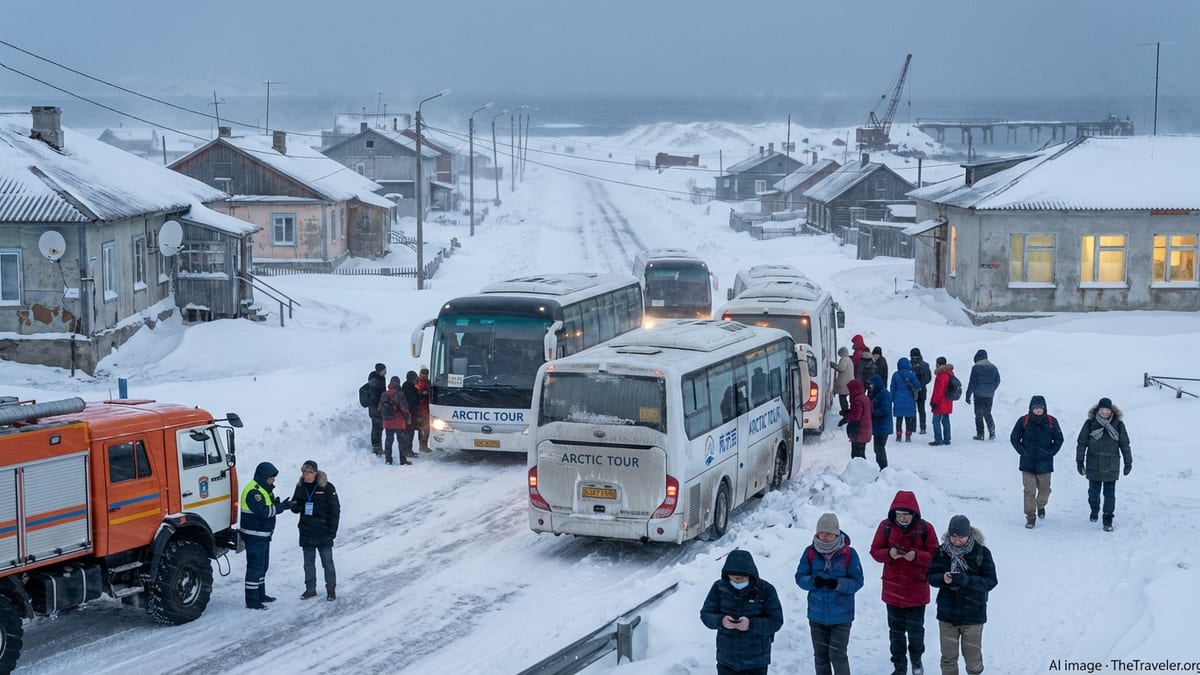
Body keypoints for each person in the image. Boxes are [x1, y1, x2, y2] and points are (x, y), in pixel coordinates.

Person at [870, 491, 940, 675]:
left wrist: (917, 556)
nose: (902, 518)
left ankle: (916, 662)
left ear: (914, 514)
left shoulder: (926, 529)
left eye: (906, 515)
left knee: (916, 632)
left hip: (917, 591)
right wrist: (889, 554)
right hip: (893, 591)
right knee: (896, 633)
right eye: (899, 514)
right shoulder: (885, 527)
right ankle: (899, 667)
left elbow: (936, 557)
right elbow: (875, 551)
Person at [795, 513, 864, 675]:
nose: (825, 536)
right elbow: (799, 577)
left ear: (836, 534)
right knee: (820, 657)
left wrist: (839, 584)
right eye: (822, 533)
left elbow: (858, 581)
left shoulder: (849, 554)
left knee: (837, 655)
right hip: (816, 615)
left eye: (829, 533)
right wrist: (813, 581)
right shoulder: (810, 552)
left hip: (841, 616)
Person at [927, 515, 997, 675]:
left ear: (969, 535)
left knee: (973, 659)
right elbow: (931, 576)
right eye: (953, 536)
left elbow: (991, 581)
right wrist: (942, 578)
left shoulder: (981, 553)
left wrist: (968, 581)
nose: (957, 540)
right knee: (948, 658)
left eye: (961, 537)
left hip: (973, 614)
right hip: (947, 614)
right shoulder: (941, 552)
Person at [700, 549, 784, 675]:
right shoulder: (719, 588)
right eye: (734, 578)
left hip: (756, 661)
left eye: (742, 578)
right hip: (726, 659)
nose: (738, 581)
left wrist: (751, 624)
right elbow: (706, 614)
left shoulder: (765, 590)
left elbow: (776, 621)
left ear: (751, 575)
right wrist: (721, 621)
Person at [1075, 397, 1132, 532]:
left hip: (1111, 464)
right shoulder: (1090, 423)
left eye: (1107, 410)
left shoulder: (1118, 424)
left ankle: (1108, 518)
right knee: (1093, 494)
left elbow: (1125, 444)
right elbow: (1082, 443)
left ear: (1111, 410)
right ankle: (1094, 509)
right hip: (1093, 463)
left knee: (1109, 495)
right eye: (1102, 410)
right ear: (1098, 410)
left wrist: (1128, 462)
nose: (1105, 412)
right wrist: (1079, 461)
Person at [289, 460, 341, 601]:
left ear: (315, 473)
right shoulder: (300, 487)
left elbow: (335, 510)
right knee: (308, 563)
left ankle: (331, 589)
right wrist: (294, 506)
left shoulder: (327, 487)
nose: (306, 475)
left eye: (309, 472)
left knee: (327, 562)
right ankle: (310, 589)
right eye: (304, 472)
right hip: (307, 531)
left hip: (323, 531)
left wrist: (332, 531)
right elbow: (296, 505)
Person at [1009, 395, 1064, 528]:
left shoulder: (1051, 421)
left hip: (1045, 464)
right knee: (1029, 491)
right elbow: (1014, 438)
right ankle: (1030, 516)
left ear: (1044, 408)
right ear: (1031, 408)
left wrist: (1050, 452)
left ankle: (1041, 505)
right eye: (1035, 408)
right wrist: (1023, 452)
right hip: (1027, 464)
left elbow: (1059, 439)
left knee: (1045, 491)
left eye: (1040, 408)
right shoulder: (1024, 421)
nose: (1038, 410)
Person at [240, 461, 289, 610]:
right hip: (254, 535)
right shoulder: (254, 492)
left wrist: (277, 503)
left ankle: (261, 594)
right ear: (263, 477)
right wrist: (282, 507)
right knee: (255, 567)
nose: (273, 480)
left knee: (262, 566)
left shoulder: (264, 489)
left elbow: (268, 506)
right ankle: (252, 600)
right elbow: (264, 512)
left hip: (262, 535)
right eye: (271, 478)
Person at [965, 350, 1000, 441]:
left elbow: (972, 383)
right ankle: (992, 432)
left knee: (978, 414)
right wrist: (992, 389)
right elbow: (998, 380)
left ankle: (980, 434)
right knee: (987, 413)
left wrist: (968, 395)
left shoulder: (976, 368)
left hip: (979, 395)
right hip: (989, 395)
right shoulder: (993, 368)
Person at [379, 376, 412, 465]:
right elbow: (404, 408)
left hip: (387, 422)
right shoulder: (400, 394)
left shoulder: (384, 394)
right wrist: (408, 417)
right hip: (398, 422)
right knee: (401, 441)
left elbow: (379, 408)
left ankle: (388, 459)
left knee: (388, 441)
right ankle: (403, 460)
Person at [839, 379, 873, 461]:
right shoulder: (864, 398)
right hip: (865, 430)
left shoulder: (857, 400)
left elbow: (856, 416)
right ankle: (862, 471)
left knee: (857, 457)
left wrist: (846, 415)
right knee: (860, 454)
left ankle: (860, 472)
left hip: (859, 431)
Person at [890, 357, 922, 442]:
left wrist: (892, 398)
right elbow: (918, 385)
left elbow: (892, 387)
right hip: (909, 399)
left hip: (898, 399)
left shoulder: (895, 375)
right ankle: (908, 436)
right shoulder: (911, 374)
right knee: (908, 419)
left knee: (899, 419)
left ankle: (898, 435)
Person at [928, 357, 955, 447]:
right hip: (948, 400)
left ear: (938, 364)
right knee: (946, 420)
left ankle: (938, 439)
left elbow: (939, 391)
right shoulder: (950, 373)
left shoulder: (941, 376)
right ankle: (947, 439)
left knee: (936, 421)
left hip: (940, 402)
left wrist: (934, 402)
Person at [869, 374, 893, 470]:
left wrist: (872, 413)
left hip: (882, 426)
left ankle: (883, 467)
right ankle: (882, 466)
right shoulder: (879, 393)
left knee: (879, 448)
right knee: (878, 448)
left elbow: (885, 410)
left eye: (871, 384)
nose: (870, 386)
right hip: (880, 426)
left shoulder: (883, 395)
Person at [364, 363, 387, 455]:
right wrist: (380, 404)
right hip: (376, 408)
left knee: (378, 427)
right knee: (377, 428)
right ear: (379, 371)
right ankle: (377, 447)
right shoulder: (375, 380)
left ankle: (378, 447)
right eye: (384, 370)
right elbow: (375, 396)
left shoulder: (380, 378)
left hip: (378, 407)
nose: (385, 372)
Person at [909, 348, 933, 435]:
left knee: (913, 409)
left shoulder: (909, 365)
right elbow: (929, 378)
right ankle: (923, 427)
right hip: (922, 389)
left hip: (911, 390)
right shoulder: (925, 365)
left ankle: (912, 427)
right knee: (921, 409)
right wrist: (922, 383)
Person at [401, 370, 422, 460]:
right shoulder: (410, 389)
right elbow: (413, 401)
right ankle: (407, 450)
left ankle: (407, 450)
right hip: (410, 414)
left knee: (409, 432)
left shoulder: (405, 387)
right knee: (409, 432)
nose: (417, 379)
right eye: (415, 378)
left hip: (407, 414)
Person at [832, 346, 853, 413]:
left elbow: (841, 368)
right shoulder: (849, 359)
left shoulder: (844, 359)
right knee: (844, 397)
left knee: (842, 397)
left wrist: (834, 366)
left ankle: (845, 411)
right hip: (848, 382)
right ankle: (846, 410)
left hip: (844, 383)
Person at [415, 366, 432, 452]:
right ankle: (422, 445)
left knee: (426, 428)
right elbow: (415, 394)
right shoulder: (416, 382)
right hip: (420, 409)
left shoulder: (429, 382)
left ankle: (424, 445)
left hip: (427, 408)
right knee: (421, 428)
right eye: (423, 374)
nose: (424, 376)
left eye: (426, 375)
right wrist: (422, 393)